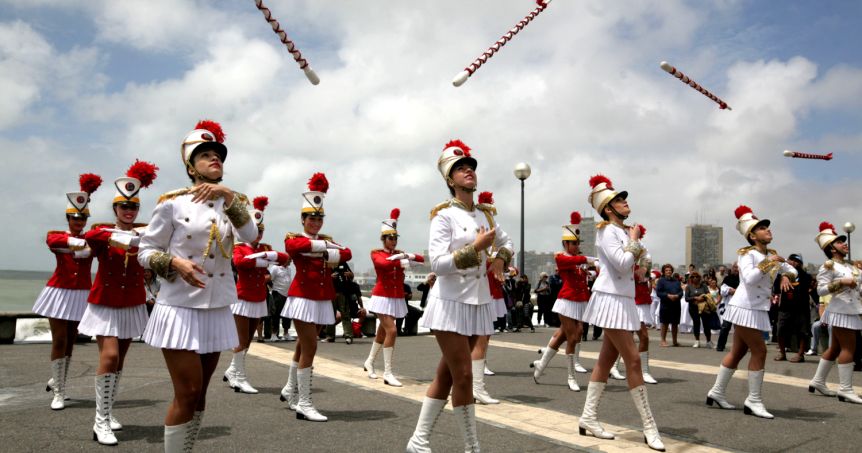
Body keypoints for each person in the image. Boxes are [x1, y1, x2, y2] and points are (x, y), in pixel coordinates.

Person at [138, 120, 259, 451]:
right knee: (187, 392)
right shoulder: (172, 203)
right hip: (179, 307)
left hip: (216, 306)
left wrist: (229, 197)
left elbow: (252, 237)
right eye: (205, 155)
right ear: (191, 167)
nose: (214, 159)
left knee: (201, 394)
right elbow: (144, 252)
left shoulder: (232, 203)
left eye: (217, 155)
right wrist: (173, 262)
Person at [406, 140, 513, 453]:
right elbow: (437, 264)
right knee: (464, 375)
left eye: (471, 167)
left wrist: (500, 259)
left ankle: (418, 441)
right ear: (449, 180)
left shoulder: (486, 215)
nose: (468, 171)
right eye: (460, 169)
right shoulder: (443, 217)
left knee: (448, 375)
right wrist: (476, 249)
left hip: (476, 302)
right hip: (449, 302)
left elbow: (507, 242)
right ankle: (472, 447)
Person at [577, 175, 664, 451]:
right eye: (618, 200)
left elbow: (636, 269)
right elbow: (623, 263)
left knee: (605, 360)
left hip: (622, 299)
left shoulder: (623, 231)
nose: (625, 202)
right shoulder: (607, 232)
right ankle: (649, 426)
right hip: (610, 299)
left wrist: (640, 257)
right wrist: (636, 243)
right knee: (634, 360)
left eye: (624, 198)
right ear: (608, 208)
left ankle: (588, 417)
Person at [78, 160, 157, 445]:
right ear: (115, 210)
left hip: (132, 302)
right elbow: (90, 236)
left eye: (133, 207)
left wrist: (138, 236)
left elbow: (161, 239)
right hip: (106, 303)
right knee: (109, 357)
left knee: (120, 361)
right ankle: (100, 421)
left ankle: (108, 412)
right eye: (123, 207)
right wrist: (126, 237)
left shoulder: (146, 232)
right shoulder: (103, 231)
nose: (128, 211)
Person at [705, 206, 796, 419]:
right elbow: (749, 279)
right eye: (762, 228)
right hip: (745, 307)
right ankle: (753, 400)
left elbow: (792, 271)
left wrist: (785, 275)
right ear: (752, 235)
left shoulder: (772, 254)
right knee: (760, 351)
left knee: (737, 352)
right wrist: (770, 264)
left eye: (767, 227)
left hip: (758, 308)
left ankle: (717, 392)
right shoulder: (747, 254)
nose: (768, 230)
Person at [278, 172, 352, 422]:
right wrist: (324, 249)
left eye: (319, 219)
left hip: (322, 298)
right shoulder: (294, 239)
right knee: (310, 346)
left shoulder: (327, 240)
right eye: (311, 218)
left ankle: (290, 390)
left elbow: (348, 253)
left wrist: (326, 252)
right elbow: (293, 248)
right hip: (302, 298)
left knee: (303, 345)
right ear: (302, 219)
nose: (316, 223)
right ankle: (304, 403)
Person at [33, 173, 102, 410]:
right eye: (75, 218)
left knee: (71, 341)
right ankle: (59, 393)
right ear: (68, 219)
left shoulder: (92, 239)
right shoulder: (59, 237)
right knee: (59, 340)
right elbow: (52, 241)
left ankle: (59, 382)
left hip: (81, 294)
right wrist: (81, 243)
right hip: (59, 293)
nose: (79, 222)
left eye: (82, 218)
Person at [223, 196, 289, 394]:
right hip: (242, 298)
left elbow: (285, 258)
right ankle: (239, 379)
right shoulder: (239, 247)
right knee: (241, 340)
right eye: (255, 231)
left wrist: (270, 256)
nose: (258, 235)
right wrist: (263, 261)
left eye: (261, 231)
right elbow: (239, 263)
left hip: (259, 297)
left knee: (249, 340)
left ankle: (233, 370)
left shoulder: (264, 248)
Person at [532, 212, 594, 391]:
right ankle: (571, 377)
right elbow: (575, 261)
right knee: (573, 337)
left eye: (577, 243)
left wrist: (592, 269)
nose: (576, 246)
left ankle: (541, 365)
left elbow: (584, 272)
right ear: (565, 243)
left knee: (562, 336)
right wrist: (590, 260)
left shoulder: (578, 262)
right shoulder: (561, 257)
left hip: (580, 302)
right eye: (573, 243)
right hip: (566, 301)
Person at [363, 208, 425, 386]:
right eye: (390, 238)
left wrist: (406, 255)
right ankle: (388, 373)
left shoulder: (399, 254)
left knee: (382, 332)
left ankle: (369, 361)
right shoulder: (377, 253)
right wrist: (401, 258)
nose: (393, 241)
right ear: (383, 239)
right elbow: (383, 265)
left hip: (395, 297)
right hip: (382, 297)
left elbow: (420, 259)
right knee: (392, 331)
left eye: (396, 238)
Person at [807, 222, 862, 403]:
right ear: (831, 248)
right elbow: (820, 291)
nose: (844, 244)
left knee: (835, 348)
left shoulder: (850, 266)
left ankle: (818, 381)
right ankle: (845, 389)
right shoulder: (828, 266)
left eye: (844, 241)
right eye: (839, 242)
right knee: (849, 349)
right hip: (841, 310)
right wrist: (842, 283)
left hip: (850, 309)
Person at [773, 254, 811, 362]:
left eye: (796, 261)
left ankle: (800, 354)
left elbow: (806, 287)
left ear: (800, 263)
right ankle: (782, 353)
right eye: (791, 260)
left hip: (801, 307)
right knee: (780, 330)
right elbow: (776, 289)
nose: (793, 263)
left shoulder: (805, 276)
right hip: (785, 306)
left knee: (803, 332)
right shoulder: (781, 275)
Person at [633, 226, 658, 384]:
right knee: (642, 336)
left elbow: (647, 279)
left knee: (635, 337)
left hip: (642, 300)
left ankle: (644, 371)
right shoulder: (627, 256)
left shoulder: (644, 259)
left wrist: (647, 273)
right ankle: (643, 371)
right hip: (630, 300)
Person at [655, 264, 683, 347]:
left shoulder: (676, 281)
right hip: (665, 304)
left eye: (670, 270)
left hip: (676, 304)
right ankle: (663, 340)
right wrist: (668, 295)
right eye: (666, 270)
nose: (668, 272)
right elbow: (658, 292)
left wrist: (677, 296)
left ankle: (675, 341)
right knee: (665, 323)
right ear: (663, 272)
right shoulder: (661, 281)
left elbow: (681, 291)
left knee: (675, 323)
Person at [684, 271, 713, 348]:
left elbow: (708, 295)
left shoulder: (704, 286)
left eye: (697, 277)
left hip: (704, 307)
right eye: (693, 277)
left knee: (706, 324)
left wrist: (702, 297)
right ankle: (697, 341)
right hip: (693, 308)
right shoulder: (688, 287)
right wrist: (695, 298)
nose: (695, 278)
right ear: (690, 278)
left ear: (699, 278)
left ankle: (708, 341)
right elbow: (686, 298)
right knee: (696, 323)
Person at [716, 263, 740, 351]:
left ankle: (738, 347)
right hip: (729, 307)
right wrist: (730, 290)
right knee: (725, 327)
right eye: (734, 267)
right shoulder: (727, 278)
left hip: (740, 307)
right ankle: (720, 346)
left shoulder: (744, 279)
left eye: (738, 267)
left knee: (739, 329)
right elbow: (722, 290)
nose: (736, 269)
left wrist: (735, 291)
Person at [268, 259, 294, 341]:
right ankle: (274, 334)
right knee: (276, 314)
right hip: (278, 293)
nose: (291, 262)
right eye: (289, 260)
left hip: (287, 294)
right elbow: (269, 279)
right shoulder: (275, 268)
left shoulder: (289, 269)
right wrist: (272, 288)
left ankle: (286, 333)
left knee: (287, 315)